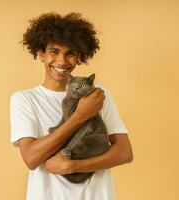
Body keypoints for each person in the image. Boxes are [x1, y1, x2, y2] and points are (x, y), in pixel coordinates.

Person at [10, 12, 133, 200]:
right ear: (41, 54)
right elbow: (32, 159)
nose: (62, 61)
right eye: (54, 51)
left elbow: (124, 152)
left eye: (70, 53)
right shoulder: (25, 99)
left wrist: (72, 166)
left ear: (79, 57)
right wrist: (79, 116)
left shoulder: (97, 94)